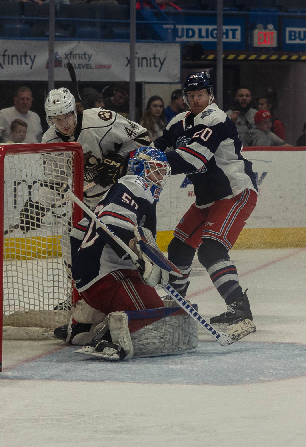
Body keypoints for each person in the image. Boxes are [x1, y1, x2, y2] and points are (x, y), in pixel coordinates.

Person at [64, 147, 202, 360]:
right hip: (109, 277)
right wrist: (137, 257)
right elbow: (112, 224)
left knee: (153, 307)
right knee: (155, 318)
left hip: (95, 278)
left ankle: (85, 325)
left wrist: (79, 274)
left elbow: (76, 233)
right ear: (139, 167)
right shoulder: (136, 185)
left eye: (163, 173)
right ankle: (107, 337)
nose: (160, 179)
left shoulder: (120, 191)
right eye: (156, 171)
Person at [153, 71, 260, 328]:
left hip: (234, 192)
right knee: (179, 246)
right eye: (191, 96)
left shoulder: (215, 118)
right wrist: (135, 154)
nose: (196, 100)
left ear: (210, 95)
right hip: (207, 199)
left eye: (200, 95)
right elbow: (157, 145)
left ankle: (239, 308)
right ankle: (176, 303)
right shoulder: (178, 122)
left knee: (211, 249)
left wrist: (150, 162)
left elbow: (193, 158)